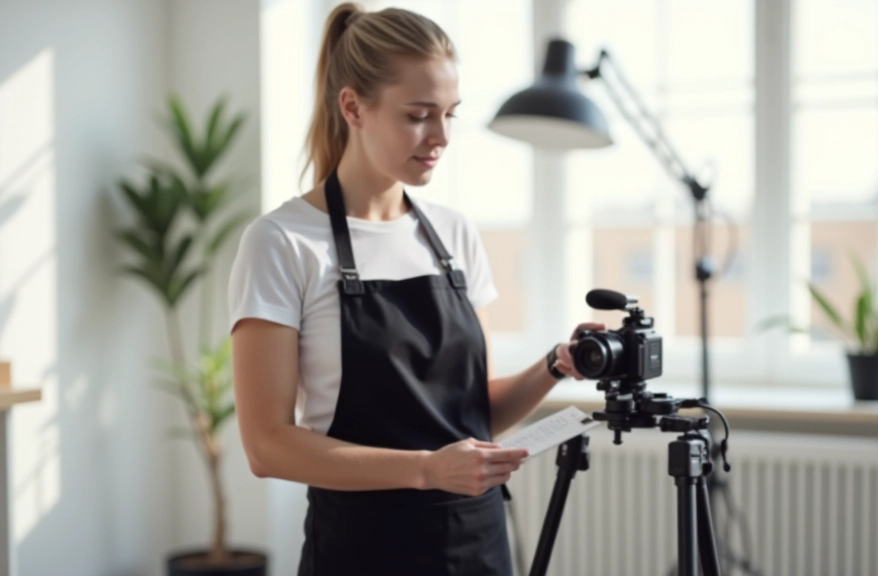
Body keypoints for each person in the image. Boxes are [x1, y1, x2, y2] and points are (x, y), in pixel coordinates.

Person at [228, 3, 603, 575]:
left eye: (450, 113)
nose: (442, 136)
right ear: (353, 106)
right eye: (420, 114)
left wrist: (553, 365)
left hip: (477, 544)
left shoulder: (453, 234)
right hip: (361, 551)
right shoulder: (282, 242)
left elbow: (474, 414)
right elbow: (266, 446)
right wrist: (428, 469)